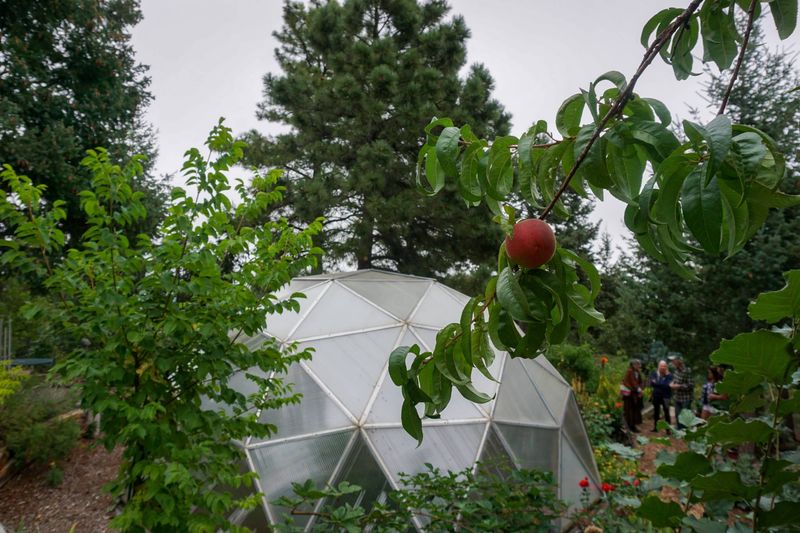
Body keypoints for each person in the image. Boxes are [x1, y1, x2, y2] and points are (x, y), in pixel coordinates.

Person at [670, 355, 694, 429]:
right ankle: (679, 431)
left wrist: (679, 386)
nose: (672, 362)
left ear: (679, 361)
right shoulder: (676, 370)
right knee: (677, 415)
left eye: (673, 360)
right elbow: (675, 380)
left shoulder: (687, 371)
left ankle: (687, 432)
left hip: (686, 398)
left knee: (685, 417)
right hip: (677, 397)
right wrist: (672, 384)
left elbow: (691, 385)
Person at [649, 360, 673, 431]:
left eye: (664, 366)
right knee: (656, 412)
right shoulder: (654, 374)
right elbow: (652, 384)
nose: (663, 367)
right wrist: (662, 384)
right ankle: (656, 428)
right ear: (658, 367)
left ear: (666, 367)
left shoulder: (669, 375)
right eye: (661, 366)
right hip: (656, 396)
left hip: (666, 396)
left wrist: (658, 384)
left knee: (666, 412)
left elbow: (667, 385)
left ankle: (668, 429)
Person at [621, 359, 643, 432]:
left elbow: (640, 381)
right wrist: (639, 390)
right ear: (634, 365)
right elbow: (632, 382)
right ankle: (629, 427)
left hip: (634, 394)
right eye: (638, 364)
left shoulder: (636, 372)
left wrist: (640, 388)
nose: (639, 366)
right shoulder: (630, 371)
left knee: (634, 410)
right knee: (629, 411)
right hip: (629, 395)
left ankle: (632, 426)